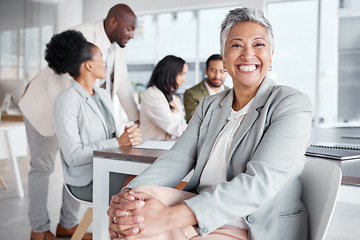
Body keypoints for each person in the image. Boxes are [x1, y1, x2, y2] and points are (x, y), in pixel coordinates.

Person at [107, 7, 313, 240]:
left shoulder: (290, 103)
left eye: (258, 45)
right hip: (198, 212)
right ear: (224, 59)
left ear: (271, 56)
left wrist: (166, 218)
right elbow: (177, 159)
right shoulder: (209, 106)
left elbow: (259, 184)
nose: (248, 54)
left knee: (138, 226)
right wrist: (126, 196)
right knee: (136, 203)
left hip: (252, 224)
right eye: (236, 45)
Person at [19, 4, 139, 240]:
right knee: (43, 167)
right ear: (113, 22)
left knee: (82, 163)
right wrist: (76, 109)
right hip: (45, 105)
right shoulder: (83, 35)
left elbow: (122, 83)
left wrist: (135, 118)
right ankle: (39, 229)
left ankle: (68, 225)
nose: (132, 34)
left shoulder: (119, 47)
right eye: (129, 28)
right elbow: (65, 76)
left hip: (82, 103)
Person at [139, 55, 188, 141]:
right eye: (181, 74)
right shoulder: (151, 94)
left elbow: (181, 125)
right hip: (152, 149)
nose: (184, 80)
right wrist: (199, 130)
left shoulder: (174, 97)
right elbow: (172, 126)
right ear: (170, 72)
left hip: (169, 147)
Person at [183, 54, 229, 123]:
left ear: (227, 72)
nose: (217, 76)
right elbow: (193, 122)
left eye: (222, 71)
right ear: (206, 71)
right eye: (213, 71)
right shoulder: (192, 93)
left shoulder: (231, 93)